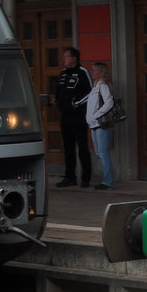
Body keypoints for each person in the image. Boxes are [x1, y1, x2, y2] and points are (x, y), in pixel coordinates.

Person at [54, 47, 92, 188]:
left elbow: (91, 92)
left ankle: (86, 178)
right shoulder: (63, 73)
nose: (64, 59)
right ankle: (70, 177)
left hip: (79, 117)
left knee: (82, 147)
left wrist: (76, 103)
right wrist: (58, 102)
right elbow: (58, 90)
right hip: (65, 117)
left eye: (66, 57)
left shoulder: (83, 72)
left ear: (74, 58)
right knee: (68, 148)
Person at [85, 61, 116, 191]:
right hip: (94, 125)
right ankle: (105, 179)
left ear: (101, 72)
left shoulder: (103, 85)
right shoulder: (95, 86)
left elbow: (109, 102)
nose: (92, 72)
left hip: (101, 124)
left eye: (95, 70)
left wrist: (97, 115)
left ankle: (107, 181)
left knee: (103, 153)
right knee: (99, 152)